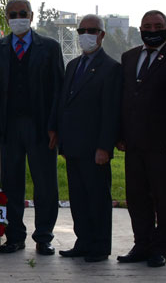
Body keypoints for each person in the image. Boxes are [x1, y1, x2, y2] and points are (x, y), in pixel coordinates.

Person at [0, 0, 63, 255]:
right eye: (13, 14)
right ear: (7, 18)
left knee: (45, 184)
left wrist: (55, 126)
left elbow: (58, 90)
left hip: (41, 128)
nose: (18, 18)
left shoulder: (49, 47)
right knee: (12, 184)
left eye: (23, 13)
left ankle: (44, 237)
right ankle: (14, 236)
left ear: (31, 16)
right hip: (9, 127)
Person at [116, 10, 166, 268]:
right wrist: (120, 135)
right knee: (137, 197)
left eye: (158, 25)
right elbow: (124, 99)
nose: (152, 29)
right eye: (147, 25)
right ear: (140, 29)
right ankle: (142, 244)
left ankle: (162, 249)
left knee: (165, 198)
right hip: (133, 143)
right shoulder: (129, 57)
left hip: (164, 145)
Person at [51, 14, 122, 263]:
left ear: (102, 34)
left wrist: (105, 146)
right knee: (78, 198)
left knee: (97, 198)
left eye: (91, 30)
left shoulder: (111, 68)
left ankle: (100, 246)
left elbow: (111, 112)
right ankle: (83, 241)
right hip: (72, 145)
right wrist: (58, 133)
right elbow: (63, 103)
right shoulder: (73, 65)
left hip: (95, 147)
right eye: (81, 30)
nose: (86, 35)